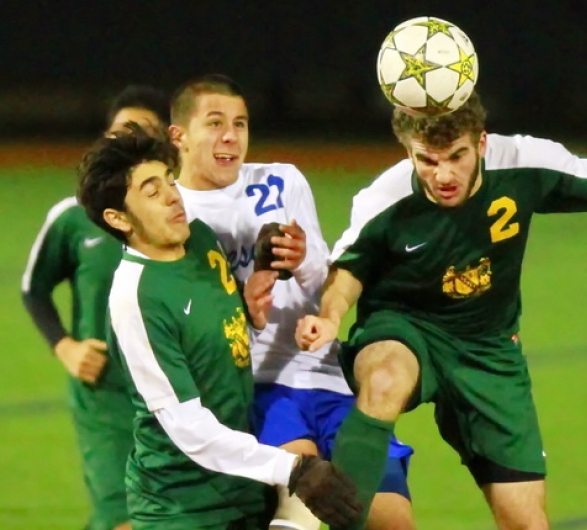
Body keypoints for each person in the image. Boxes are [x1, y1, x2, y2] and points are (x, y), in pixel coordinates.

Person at [291, 90, 587, 530]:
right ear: (408, 152)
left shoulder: (524, 162)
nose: (443, 174)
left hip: (489, 351)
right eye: (427, 160)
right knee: (385, 379)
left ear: (481, 143)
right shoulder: (384, 198)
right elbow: (347, 270)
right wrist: (330, 317)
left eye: (456, 156)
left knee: (527, 522)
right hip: (405, 329)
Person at [75, 124, 361, 530]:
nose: (172, 195)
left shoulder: (200, 241)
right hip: (183, 507)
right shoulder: (135, 300)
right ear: (117, 217)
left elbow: (216, 339)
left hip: (244, 485)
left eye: (169, 180)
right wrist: (293, 469)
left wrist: (251, 312)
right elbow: (187, 428)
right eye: (152, 192)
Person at [167, 74, 414, 530]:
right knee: (301, 506)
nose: (230, 136)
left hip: (328, 376)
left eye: (240, 124)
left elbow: (325, 280)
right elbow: (173, 316)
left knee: (391, 520)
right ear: (178, 136)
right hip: (258, 384)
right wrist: (243, 311)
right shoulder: (171, 212)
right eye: (215, 123)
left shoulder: (281, 181)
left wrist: (302, 261)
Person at [20, 84, 169, 530]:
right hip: (105, 397)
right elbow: (34, 289)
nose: (130, 140)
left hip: (173, 393)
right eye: (122, 130)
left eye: (144, 131)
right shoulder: (74, 218)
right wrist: (65, 346)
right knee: (123, 518)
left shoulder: (183, 217)